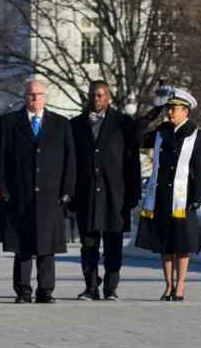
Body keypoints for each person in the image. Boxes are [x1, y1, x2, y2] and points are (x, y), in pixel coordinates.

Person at [0, 79, 76, 304]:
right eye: (31, 94)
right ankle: (23, 291)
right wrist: (3, 189)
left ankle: (45, 290)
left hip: (51, 197)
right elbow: (0, 159)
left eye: (39, 94)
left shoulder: (60, 124)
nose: (35, 98)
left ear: (45, 97)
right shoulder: (9, 122)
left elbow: (70, 161)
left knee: (47, 247)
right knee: (23, 246)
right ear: (24, 97)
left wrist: (67, 191)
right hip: (20, 195)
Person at [134, 88, 201, 302]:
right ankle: (168, 286)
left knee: (181, 243)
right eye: (168, 108)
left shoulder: (195, 134)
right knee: (164, 242)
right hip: (161, 195)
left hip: (182, 196)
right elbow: (137, 138)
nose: (169, 112)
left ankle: (180, 286)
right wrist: (150, 115)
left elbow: (200, 166)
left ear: (185, 111)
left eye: (173, 108)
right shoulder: (160, 131)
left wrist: (197, 196)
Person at [69, 80, 141, 301]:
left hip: (114, 195)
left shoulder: (123, 123)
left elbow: (132, 162)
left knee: (113, 243)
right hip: (87, 194)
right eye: (93, 95)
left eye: (100, 95)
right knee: (88, 244)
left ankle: (111, 286)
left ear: (108, 97)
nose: (96, 99)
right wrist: (70, 193)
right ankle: (90, 286)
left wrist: (133, 193)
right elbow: (71, 162)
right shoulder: (76, 125)